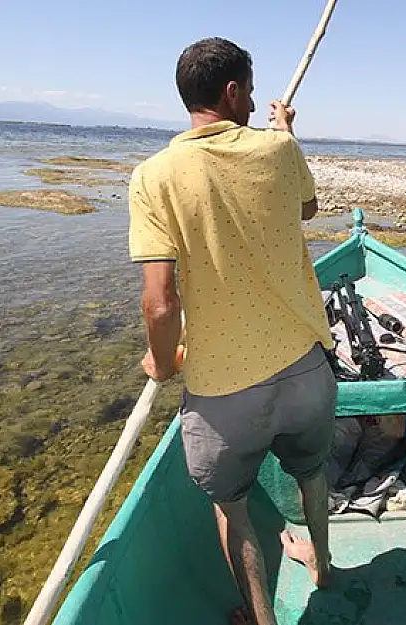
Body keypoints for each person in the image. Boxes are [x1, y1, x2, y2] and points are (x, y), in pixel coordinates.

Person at [128, 37, 335, 625]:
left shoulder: (153, 177)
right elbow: (304, 209)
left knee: (234, 510)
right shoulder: (277, 151)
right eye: (250, 87)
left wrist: (162, 363)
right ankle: (323, 567)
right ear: (234, 91)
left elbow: (160, 304)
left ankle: (262, 620)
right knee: (312, 476)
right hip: (305, 367)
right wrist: (285, 134)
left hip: (224, 390)